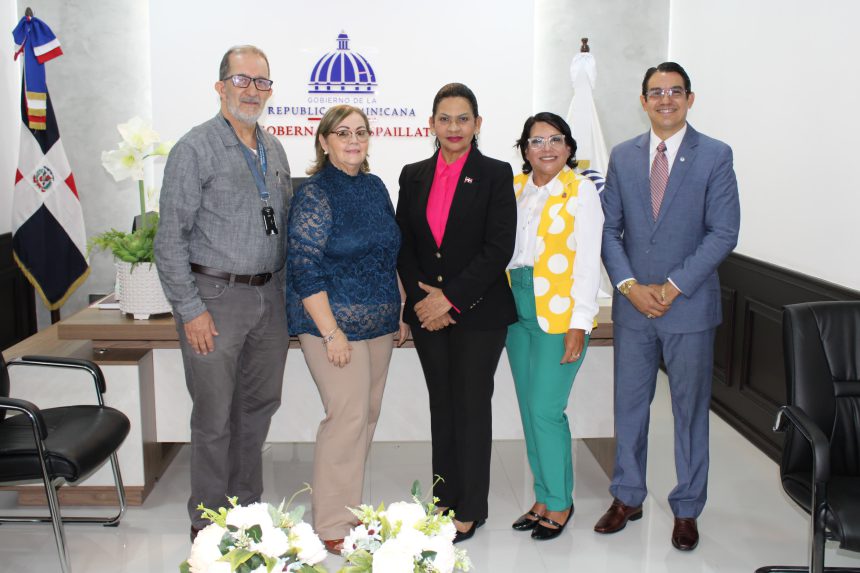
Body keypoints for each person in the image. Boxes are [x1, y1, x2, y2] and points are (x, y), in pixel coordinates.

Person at [594, 62, 740, 551]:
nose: (665, 99)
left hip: (690, 307)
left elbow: (724, 232)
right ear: (643, 101)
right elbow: (609, 230)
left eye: (675, 91)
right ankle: (627, 496)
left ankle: (687, 507)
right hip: (633, 308)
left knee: (689, 412)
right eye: (656, 92)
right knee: (629, 407)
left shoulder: (715, 155)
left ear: (690, 99)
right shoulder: (623, 155)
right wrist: (629, 285)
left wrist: (673, 287)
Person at [154, 45, 292, 540]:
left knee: (258, 408)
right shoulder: (194, 149)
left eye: (262, 82)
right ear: (220, 86)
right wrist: (190, 309)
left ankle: (246, 506)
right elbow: (169, 240)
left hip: (269, 298)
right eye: (242, 80)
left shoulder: (274, 149)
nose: (252, 90)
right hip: (213, 299)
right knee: (214, 416)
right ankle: (209, 520)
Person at [396, 82, 516, 543]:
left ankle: (471, 508)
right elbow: (404, 243)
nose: (453, 127)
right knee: (442, 405)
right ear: (431, 124)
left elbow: (498, 248)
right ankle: (444, 499)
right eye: (444, 118)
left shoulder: (496, 174)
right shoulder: (412, 174)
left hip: (480, 313)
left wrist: (450, 299)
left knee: (471, 406)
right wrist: (425, 303)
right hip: (428, 314)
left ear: (477, 124)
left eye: (463, 118)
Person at [286, 104, 406, 555]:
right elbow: (304, 268)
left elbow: (388, 252)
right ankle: (331, 524)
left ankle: (349, 509)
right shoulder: (315, 194)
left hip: (378, 322)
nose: (353, 140)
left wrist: (399, 307)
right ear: (324, 141)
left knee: (367, 415)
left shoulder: (375, 187)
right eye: (342, 133)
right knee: (347, 417)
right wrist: (332, 332)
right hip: (332, 325)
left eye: (360, 132)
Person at [506, 112, 603, 541]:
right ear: (525, 149)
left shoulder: (581, 190)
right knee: (529, 410)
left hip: (559, 316)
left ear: (569, 147)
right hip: (515, 310)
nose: (546, 148)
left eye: (555, 139)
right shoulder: (514, 189)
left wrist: (580, 323)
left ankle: (560, 501)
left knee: (546, 409)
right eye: (536, 141)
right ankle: (542, 497)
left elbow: (588, 263)